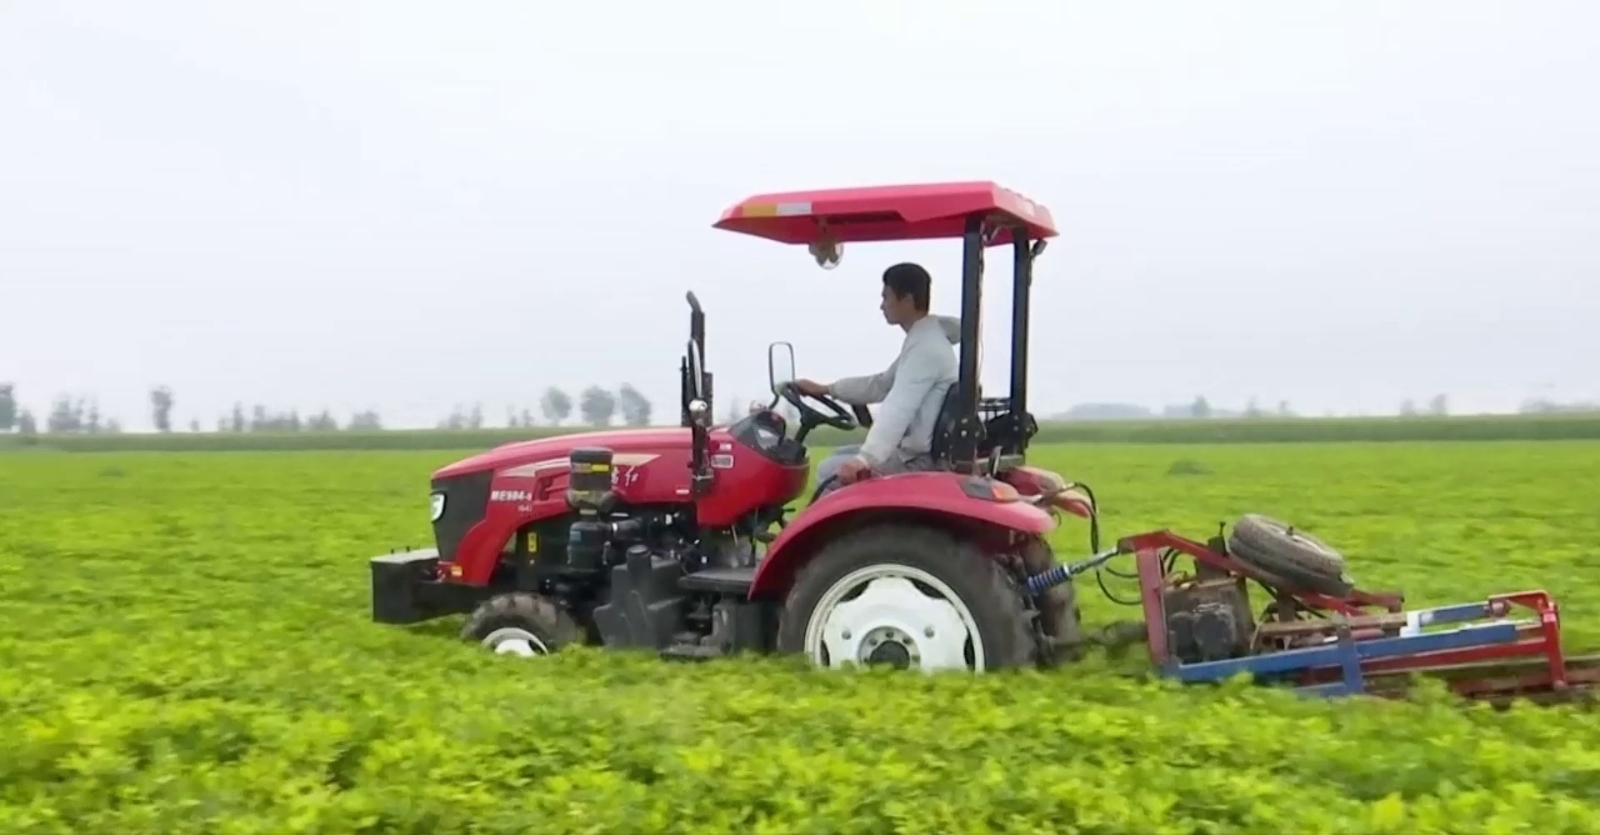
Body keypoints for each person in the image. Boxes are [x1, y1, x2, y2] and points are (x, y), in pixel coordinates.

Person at [795, 262, 961, 497]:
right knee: (838, 456)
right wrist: (826, 389)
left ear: (907, 300)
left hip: (916, 461)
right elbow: (881, 385)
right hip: (912, 453)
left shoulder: (926, 349)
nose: (882, 305)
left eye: (886, 297)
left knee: (828, 471)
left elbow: (899, 407)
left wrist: (866, 459)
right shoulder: (925, 340)